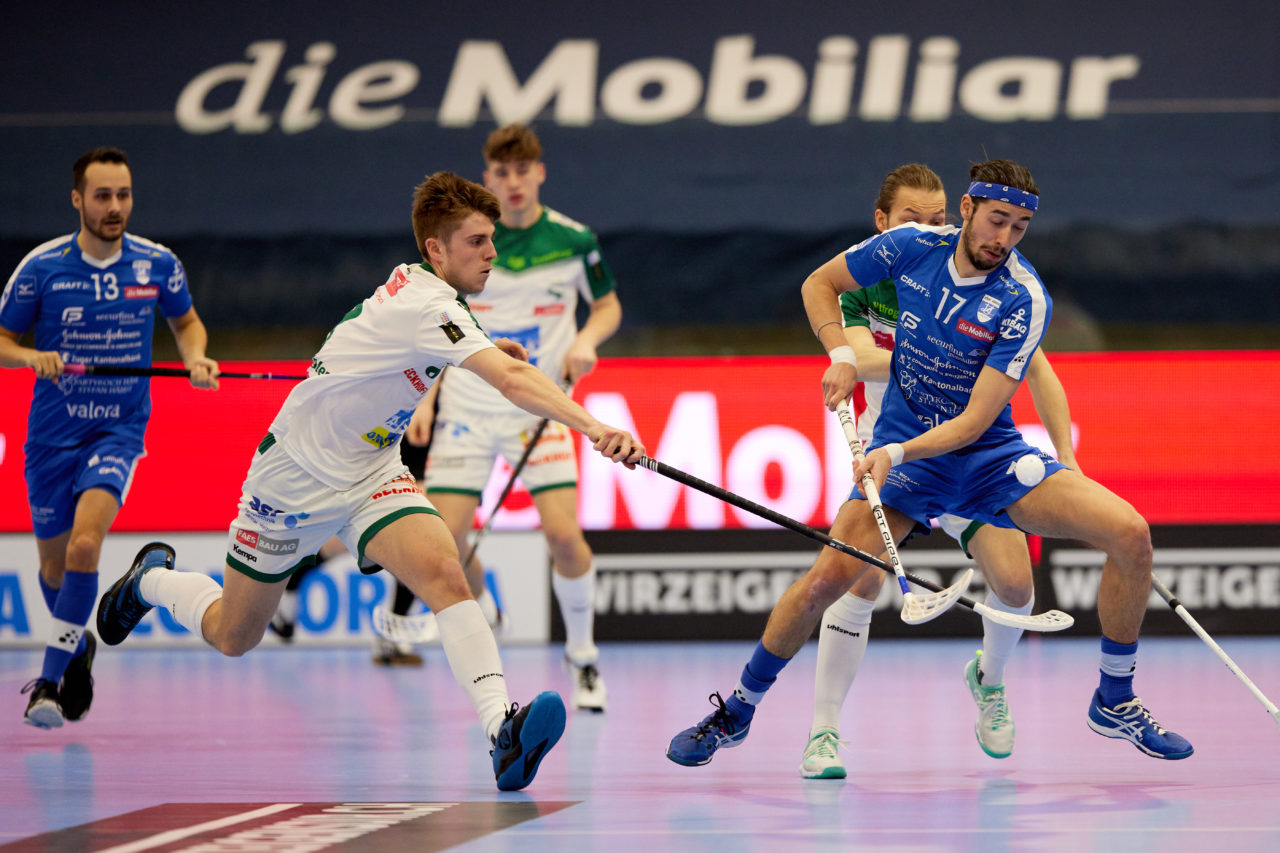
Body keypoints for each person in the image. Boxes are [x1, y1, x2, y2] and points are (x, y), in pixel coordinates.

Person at [95, 171, 644, 791]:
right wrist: (596, 428)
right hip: (293, 480)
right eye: (477, 242)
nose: (493, 253)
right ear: (436, 249)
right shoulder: (428, 305)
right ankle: (152, 581)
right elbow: (513, 384)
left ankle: (502, 733)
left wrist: (490, 345)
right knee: (233, 634)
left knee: (445, 574)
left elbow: (470, 357)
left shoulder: (433, 298)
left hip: (373, 471)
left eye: (491, 240)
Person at [666, 159, 1192, 769]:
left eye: (1020, 227)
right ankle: (738, 711)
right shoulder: (909, 248)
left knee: (1129, 533)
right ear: (967, 211)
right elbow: (819, 283)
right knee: (824, 584)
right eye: (997, 220)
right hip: (909, 464)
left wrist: (907, 452)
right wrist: (840, 351)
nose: (1005, 238)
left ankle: (1114, 698)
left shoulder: (1022, 299)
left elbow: (973, 422)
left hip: (984, 458)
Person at [799, 164, 1079, 779]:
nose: (931, 229)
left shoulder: (984, 280)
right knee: (859, 583)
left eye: (937, 219)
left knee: (1014, 580)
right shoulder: (869, 280)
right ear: (884, 225)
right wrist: (942, 348)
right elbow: (867, 359)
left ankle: (990, 680)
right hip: (894, 450)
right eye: (913, 221)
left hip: (968, 453)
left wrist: (1068, 457)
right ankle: (823, 733)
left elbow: (1038, 371)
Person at [0, 147, 218, 729]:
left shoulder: (157, 264)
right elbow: (1, 339)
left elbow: (186, 321)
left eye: (123, 194)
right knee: (52, 572)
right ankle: (78, 648)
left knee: (82, 550)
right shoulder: (42, 268)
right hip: (50, 436)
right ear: (77, 200)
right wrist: (27, 357)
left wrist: (195, 357)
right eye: (102, 196)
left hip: (117, 428)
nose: (115, 206)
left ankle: (47, 683)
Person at [421, 124, 622, 712]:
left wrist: (586, 338)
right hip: (468, 404)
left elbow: (607, 305)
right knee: (444, 541)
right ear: (488, 179)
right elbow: (434, 323)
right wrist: (427, 398)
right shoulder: (467, 241)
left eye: (522, 171)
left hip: (540, 403)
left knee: (563, 536)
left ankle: (583, 656)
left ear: (539, 173)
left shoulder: (574, 238)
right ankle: (486, 610)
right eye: (500, 173)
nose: (512, 183)